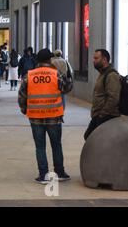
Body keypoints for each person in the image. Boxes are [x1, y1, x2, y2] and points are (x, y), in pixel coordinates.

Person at [18, 48, 71, 184]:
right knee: (56, 145)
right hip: (54, 116)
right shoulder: (56, 74)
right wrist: (68, 75)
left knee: (40, 146)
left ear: (37, 60)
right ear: (50, 60)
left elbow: (22, 94)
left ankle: (43, 175)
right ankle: (59, 173)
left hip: (35, 116)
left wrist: (24, 109)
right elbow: (66, 88)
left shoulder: (29, 75)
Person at [84, 49, 122, 140]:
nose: (93, 60)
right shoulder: (103, 73)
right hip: (99, 115)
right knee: (89, 138)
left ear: (104, 60)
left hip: (107, 116)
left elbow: (113, 98)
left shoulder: (111, 75)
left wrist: (102, 115)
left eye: (96, 58)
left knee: (95, 140)